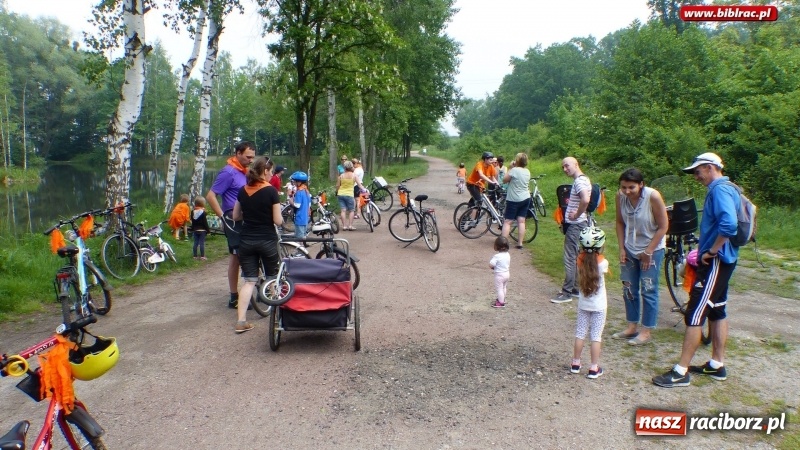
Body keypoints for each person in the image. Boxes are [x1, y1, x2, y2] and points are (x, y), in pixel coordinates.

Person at [653, 152, 739, 388]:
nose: (695, 177)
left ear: (711, 167)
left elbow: (729, 225)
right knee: (717, 310)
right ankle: (716, 364)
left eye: (697, 171)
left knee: (695, 313)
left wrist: (712, 250)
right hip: (726, 259)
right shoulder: (730, 187)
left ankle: (681, 372)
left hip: (716, 261)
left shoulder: (720, 190)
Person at [612, 168, 669, 345]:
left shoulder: (653, 196)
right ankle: (631, 326)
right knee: (628, 288)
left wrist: (648, 251)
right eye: (624, 187)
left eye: (631, 187)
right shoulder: (620, 196)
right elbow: (620, 222)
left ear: (641, 185)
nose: (627, 191)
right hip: (630, 247)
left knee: (648, 289)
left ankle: (646, 330)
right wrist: (621, 248)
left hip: (652, 248)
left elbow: (663, 226)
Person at [230, 157, 283, 333]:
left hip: (246, 241)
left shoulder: (242, 190)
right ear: (266, 171)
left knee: (249, 281)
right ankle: (278, 318)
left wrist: (250, 215)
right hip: (267, 240)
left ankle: (241, 321)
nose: (272, 175)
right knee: (272, 277)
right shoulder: (271, 191)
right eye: (271, 171)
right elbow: (277, 220)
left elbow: (235, 216)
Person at [206, 141, 255, 309]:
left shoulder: (245, 171)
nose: (250, 160)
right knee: (239, 255)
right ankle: (236, 297)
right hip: (232, 219)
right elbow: (211, 196)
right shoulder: (228, 172)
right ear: (238, 153)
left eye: (253, 158)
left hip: (245, 218)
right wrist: (222, 217)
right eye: (248, 157)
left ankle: (239, 296)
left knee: (237, 256)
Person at [571, 226, 610, 379]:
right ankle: (594, 368)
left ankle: (575, 363)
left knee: (580, 333)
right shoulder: (603, 263)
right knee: (596, 336)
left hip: (583, 304)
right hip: (599, 306)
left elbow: (585, 261)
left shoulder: (578, 260)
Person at [552, 157, 591, 303]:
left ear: (576, 164)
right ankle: (575, 289)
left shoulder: (579, 181)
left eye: (567, 166)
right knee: (575, 257)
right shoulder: (584, 179)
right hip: (580, 224)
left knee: (569, 258)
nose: (565, 169)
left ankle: (566, 293)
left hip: (576, 225)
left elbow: (585, 199)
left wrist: (577, 214)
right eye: (563, 167)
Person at [502, 153, 531, 248]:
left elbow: (504, 180)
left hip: (514, 199)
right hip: (526, 198)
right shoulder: (527, 171)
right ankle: (520, 243)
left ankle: (503, 244)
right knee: (521, 221)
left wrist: (510, 168)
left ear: (517, 161)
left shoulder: (514, 170)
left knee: (508, 222)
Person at [336, 160, 365, 231]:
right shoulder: (354, 175)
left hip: (341, 194)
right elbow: (359, 185)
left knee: (343, 210)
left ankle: (344, 226)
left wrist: (337, 192)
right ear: (351, 167)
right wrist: (364, 190)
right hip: (349, 194)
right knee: (351, 210)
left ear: (344, 167)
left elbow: (337, 185)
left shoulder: (341, 176)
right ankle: (350, 226)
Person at [489, 236, 511, 308]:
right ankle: (503, 299)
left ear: (496, 246)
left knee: (499, 289)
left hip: (499, 275)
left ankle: (500, 302)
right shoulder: (508, 255)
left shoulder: (497, 256)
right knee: (504, 287)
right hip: (507, 273)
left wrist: (493, 267)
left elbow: (491, 264)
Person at [290, 171, 311, 239]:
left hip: (299, 219)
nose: (294, 183)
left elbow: (297, 205)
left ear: (299, 182)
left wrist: (291, 202)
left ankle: (299, 249)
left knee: (299, 238)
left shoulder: (299, 192)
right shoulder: (306, 190)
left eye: (295, 181)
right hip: (305, 218)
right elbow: (309, 204)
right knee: (303, 236)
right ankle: (302, 248)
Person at [191, 196, 210, 260]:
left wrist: (192, 228)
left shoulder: (192, 212)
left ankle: (195, 256)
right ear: (203, 204)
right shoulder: (203, 212)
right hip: (202, 230)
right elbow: (205, 222)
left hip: (195, 230)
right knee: (201, 243)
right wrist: (208, 230)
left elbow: (193, 222)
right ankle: (202, 256)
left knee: (195, 243)